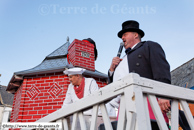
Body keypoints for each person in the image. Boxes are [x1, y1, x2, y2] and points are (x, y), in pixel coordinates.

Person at [108, 20, 171, 129]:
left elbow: (161, 68)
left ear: (136, 35)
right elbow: (112, 84)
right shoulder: (122, 59)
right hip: (124, 105)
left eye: (125, 34)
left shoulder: (149, 46)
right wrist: (112, 69)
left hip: (146, 98)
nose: (122, 38)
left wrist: (163, 95)